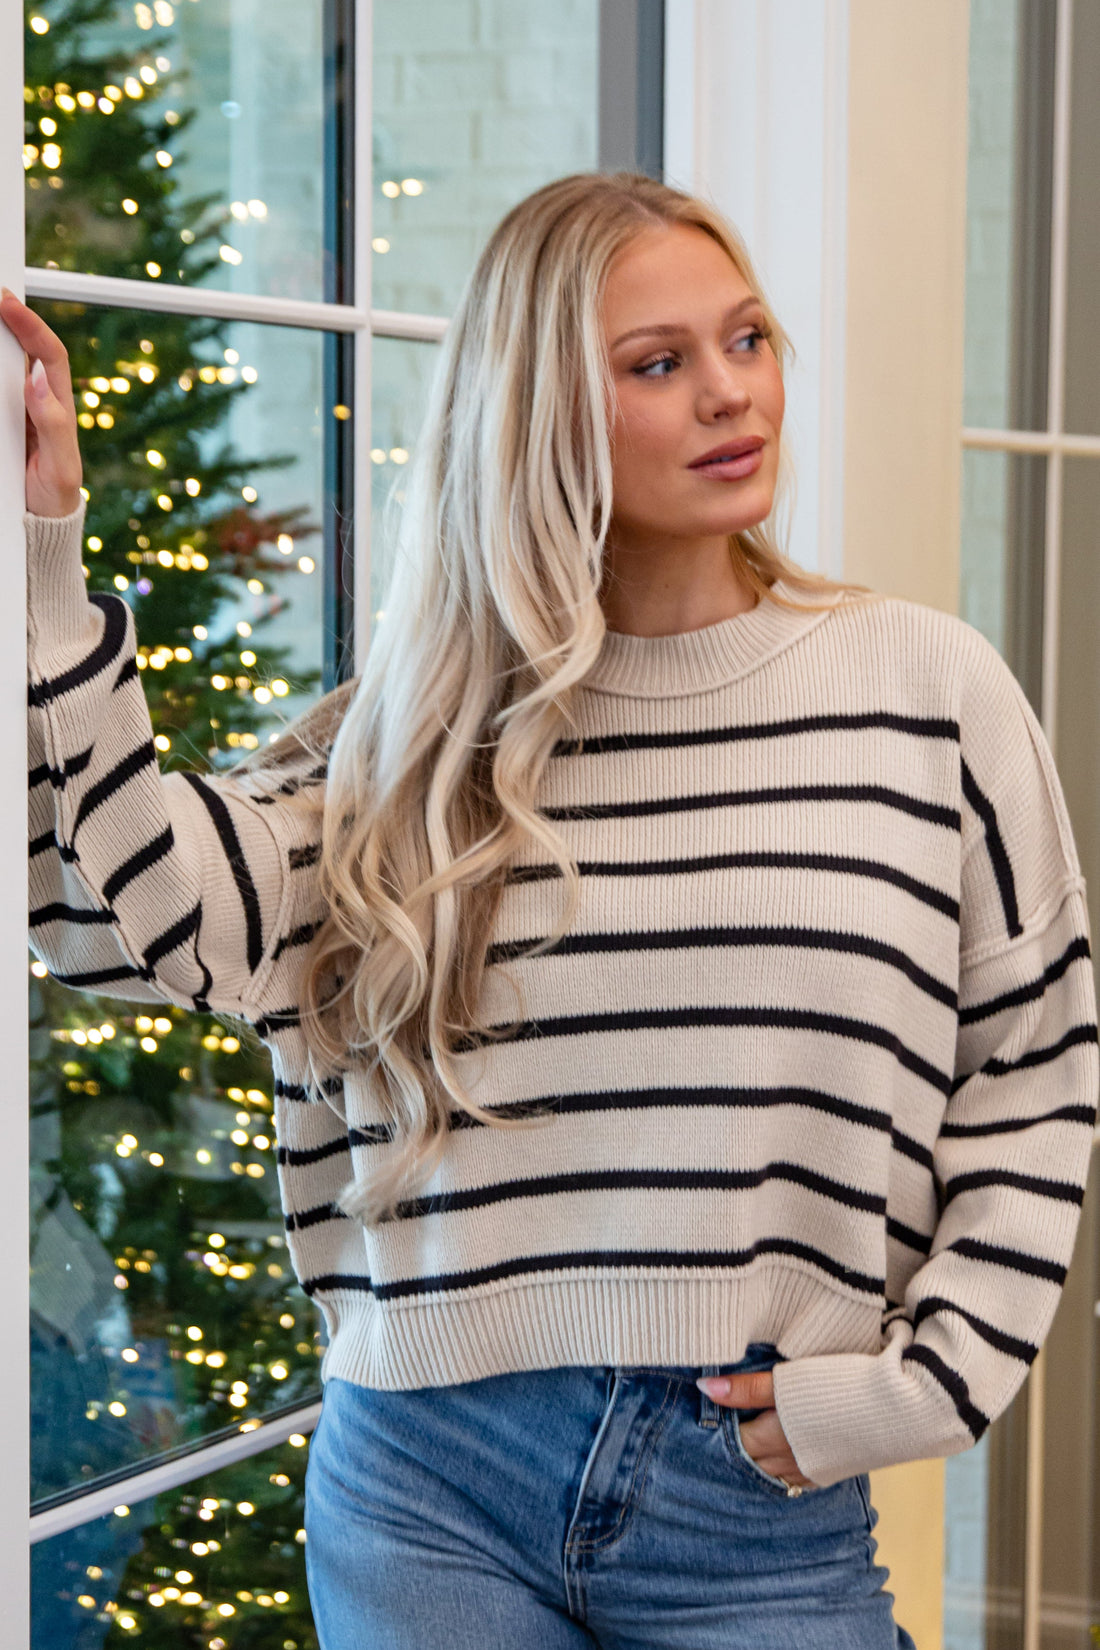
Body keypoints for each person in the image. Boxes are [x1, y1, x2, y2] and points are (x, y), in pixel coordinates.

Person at [12, 170, 1098, 1649]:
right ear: (540, 415)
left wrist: (925, 1382)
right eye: (659, 364)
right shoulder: (406, 743)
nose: (731, 393)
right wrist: (45, 549)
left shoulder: (926, 691)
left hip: (757, 1503)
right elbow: (112, 908)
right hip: (426, 1488)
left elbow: (1036, 1071)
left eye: (748, 338)